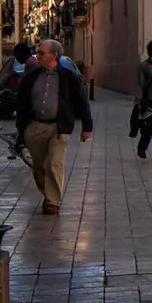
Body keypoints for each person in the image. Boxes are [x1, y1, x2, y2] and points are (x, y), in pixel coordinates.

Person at [15, 38, 93, 214]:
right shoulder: (30, 78)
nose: (38, 56)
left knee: (53, 163)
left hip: (59, 127)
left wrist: (87, 127)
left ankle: (52, 202)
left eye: (42, 53)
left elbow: (82, 102)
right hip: (35, 127)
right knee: (39, 166)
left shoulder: (69, 78)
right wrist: (22, 129)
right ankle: (47, 194)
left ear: (54, 56)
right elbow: (21, 103)